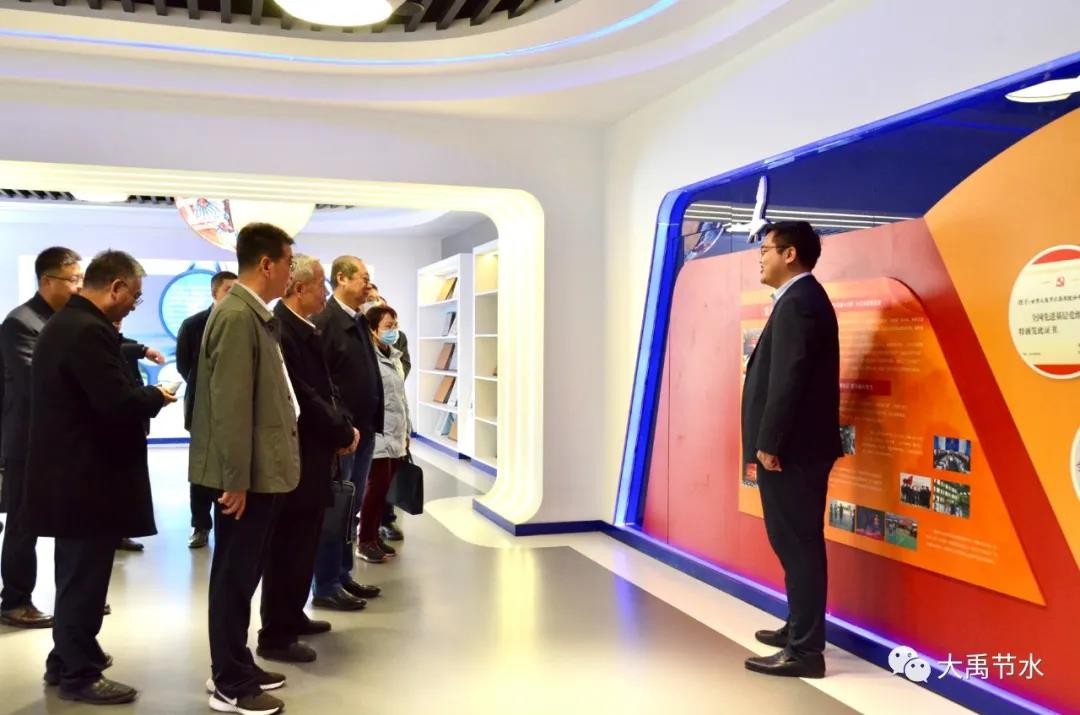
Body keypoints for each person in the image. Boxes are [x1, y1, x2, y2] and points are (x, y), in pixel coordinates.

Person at [23, 251, 174, 704]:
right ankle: (79, 675)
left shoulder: (68, 324)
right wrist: (155, 395)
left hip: (72, 476)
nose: (134, 305)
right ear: (116, 287)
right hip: (85, 478)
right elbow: (116, 403)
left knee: (76, 576)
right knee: (84, 581)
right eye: (135, 296)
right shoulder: (87, 331)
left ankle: (65, 659)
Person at [188, 223, 299, 715]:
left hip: (260, 472)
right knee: (234, 579)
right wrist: (234, 481)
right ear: (267, 264)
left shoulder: (251, 314)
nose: (292, 273)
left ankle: (238, 662)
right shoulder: (237, 316)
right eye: (289, 263)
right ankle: (229, 682)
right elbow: (230, 406)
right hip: (245, 478)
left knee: (244, 574)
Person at [741, 221, 842, 679]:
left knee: (798, 544)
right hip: (792, 448)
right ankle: (798, 629)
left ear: (790, 254)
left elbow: (789, 378)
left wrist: (770, 441)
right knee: (792, 542)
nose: (760, 258)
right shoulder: (797, 299)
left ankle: (805, 651)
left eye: (765, 249)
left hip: (792, 451)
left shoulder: (800, 302)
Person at [257, 255, 369, 664]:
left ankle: (292, 616)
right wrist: (340, 430)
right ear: (300, 288)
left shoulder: (303, 328)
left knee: (304, 543)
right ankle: (276, 635)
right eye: (320, 285)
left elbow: (327, 389)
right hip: (297, 456)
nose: (324, 292)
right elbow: (302, 396)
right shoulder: (282, 331)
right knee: (288, 547)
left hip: (314, 454)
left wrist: (342, 426)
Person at [0, 246, 82, 629]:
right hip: (27, 442)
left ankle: (74, 600)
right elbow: (38, 382)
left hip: (60, 441)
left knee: (67, 521)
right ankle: (15, 601)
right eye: (73, 279)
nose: (78, 286)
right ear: (47, 281)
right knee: (23, 524)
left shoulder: (63, 319)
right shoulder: (20, 322)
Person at [311, 256, 385, 610]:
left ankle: (342, 575)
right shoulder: (326, 322)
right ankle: (326, 585)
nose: (368, 285)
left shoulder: (357, 320)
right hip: (344, 436)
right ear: (341, 278)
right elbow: (322, 383)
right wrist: (341, 428)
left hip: (364, 431)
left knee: (349, 508)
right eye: (363, 278)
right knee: (336, 509)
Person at [175, 270, 237, 549]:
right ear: (214, 292)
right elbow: (184, 365)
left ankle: (228, 520)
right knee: (201, 470)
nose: (233, 295)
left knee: (229, 467)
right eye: (228, 290)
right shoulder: (193, 325)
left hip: (231, 409)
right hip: (201, 407)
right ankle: (200, 525)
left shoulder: (241, 323)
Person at [356, 304, 411, 564]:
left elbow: (401, 398)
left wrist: (407, 430)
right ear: (373, 330)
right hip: (378, 433)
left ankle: (375, 538)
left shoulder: (395, 356)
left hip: (396, 432)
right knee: (375, 489)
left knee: (384, 490)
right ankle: (364, 540)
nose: (393, 330)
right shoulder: (368, 358)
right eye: (388, 326)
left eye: (395, 325)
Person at [112, 320, 167, 554]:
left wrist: (144, 421)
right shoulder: (96, 343)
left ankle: (121, 533)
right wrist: (143, 350)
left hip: (130, 425)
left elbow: (135, 383)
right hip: (109, 430)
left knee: (126, 484)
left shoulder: (126, 344)